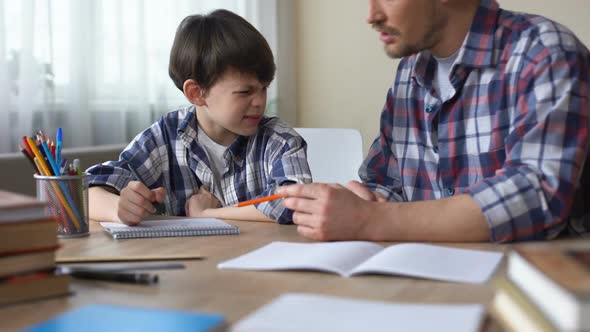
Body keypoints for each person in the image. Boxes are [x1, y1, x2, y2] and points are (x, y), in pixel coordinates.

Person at [277, 0, 590, 242]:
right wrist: (362, 200)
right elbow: (389, 184)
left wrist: (369, 219)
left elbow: (537, 194)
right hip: (430, 282)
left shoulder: (544, 52)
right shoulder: (409, 72)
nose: (371, 15)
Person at [87, 9, 311, 225]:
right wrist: (121, 207)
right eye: (245, 91)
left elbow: (294, 203)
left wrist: (208, 213)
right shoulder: (164, 137)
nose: (260, 101)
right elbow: (87, 191)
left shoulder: (279, 140)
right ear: (197, 93)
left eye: (264, 88)